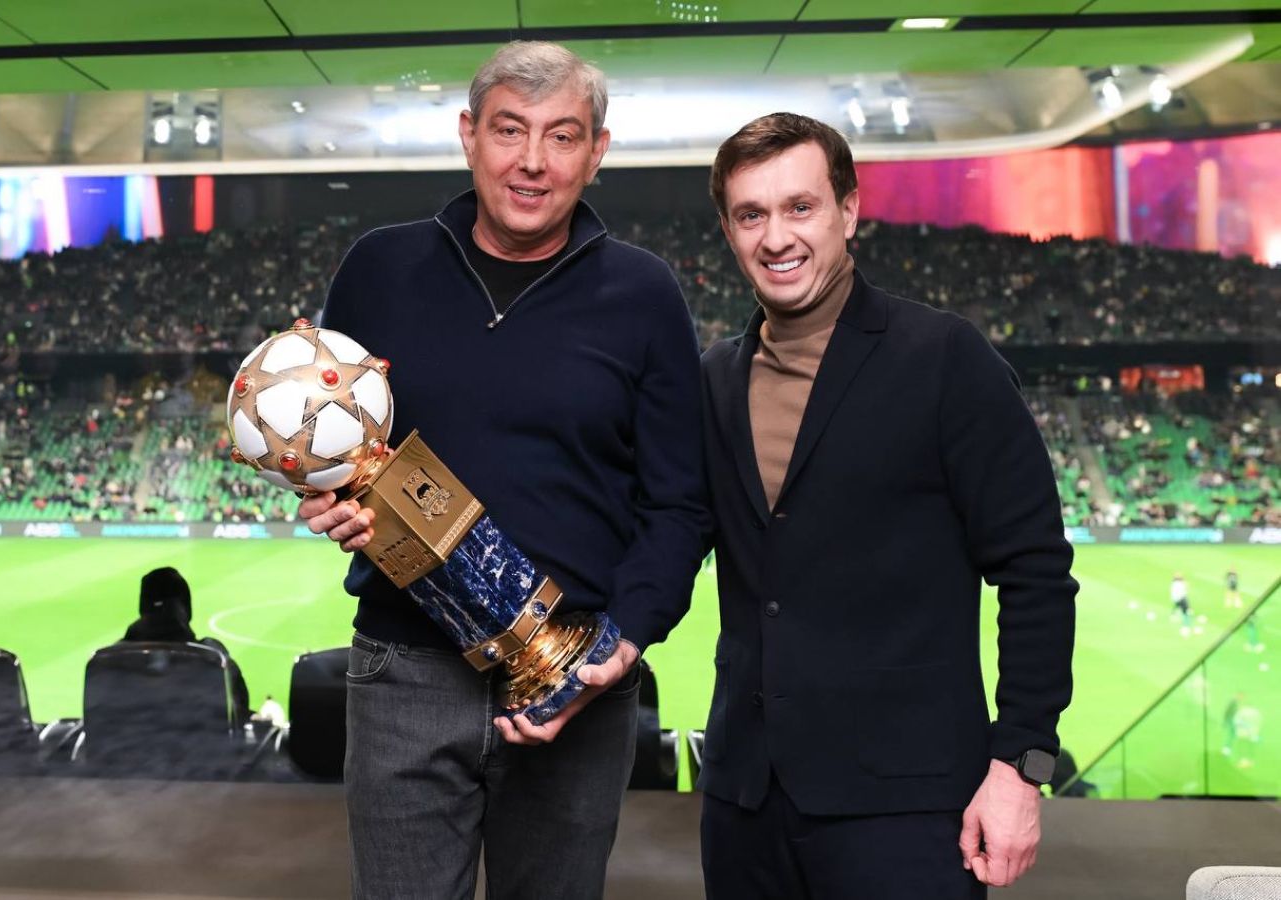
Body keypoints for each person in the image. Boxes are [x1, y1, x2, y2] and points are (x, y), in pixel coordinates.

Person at [298, 42, 707, 900]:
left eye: (562, 136)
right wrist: (323, 496)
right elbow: (333, 443)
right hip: (404, 672)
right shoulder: (378, 268)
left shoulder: (645, 293)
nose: (532, 161)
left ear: (596, 152)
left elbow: (681, 501)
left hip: (574, 684)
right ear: (468, 135)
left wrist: (625, 642)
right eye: (509, 130)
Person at [697, 113, 1077, 899]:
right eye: (751, 215)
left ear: (848, 210)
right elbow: (663, 539)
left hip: (908, 811)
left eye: (800, 207)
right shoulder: (715, 380)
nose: (776, 237)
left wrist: (1021, 766)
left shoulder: (945, 357)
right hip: (745, 806)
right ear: (729, 232)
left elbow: (1036, 572)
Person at [120, 566, 251, 724]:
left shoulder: (109, 660)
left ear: (143, 609)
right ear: (186, 609)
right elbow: (239, 710)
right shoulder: (214, 657)